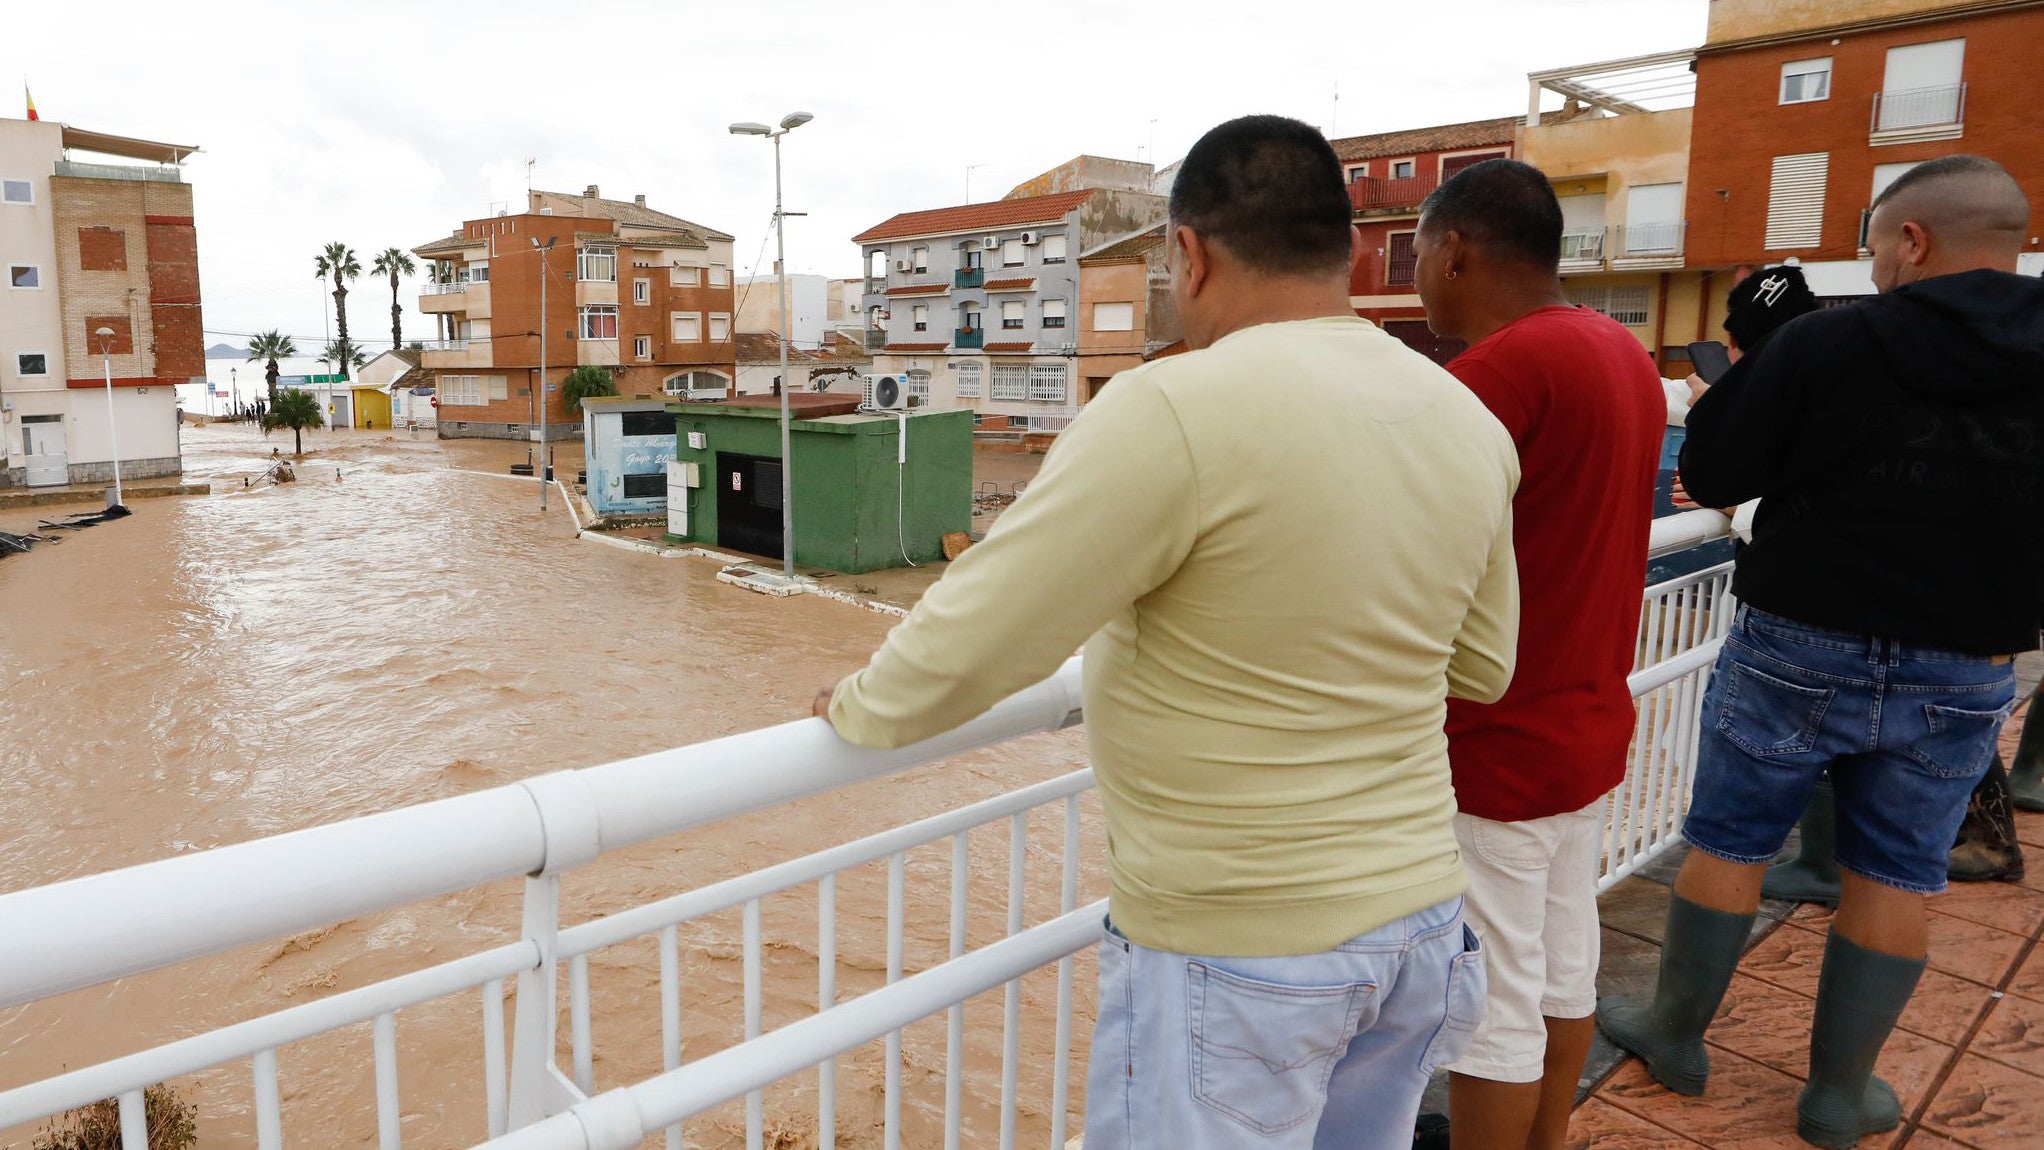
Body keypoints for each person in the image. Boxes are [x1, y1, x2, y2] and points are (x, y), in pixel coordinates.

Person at [812, 114, 1521, 1150]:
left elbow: (978, 635)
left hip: (1243, 950)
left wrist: (856, 708)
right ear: (1357, 252)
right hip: (1417, 927)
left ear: (1186, 254)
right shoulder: (1463, 417)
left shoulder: (1173, 409)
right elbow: (1485, 666)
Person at [1597, 155, 2044, 1150]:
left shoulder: (1830, 341)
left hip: (1798, 638)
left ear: (1912, 239)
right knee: (1895, 874)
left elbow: (1710, 465)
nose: (1874, 265)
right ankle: (1838, 1096)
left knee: (1729, 842)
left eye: (1877, 246)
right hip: (1965, 661)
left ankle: (1674, 1033)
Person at [1408, 159, 1663, 1150]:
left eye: (1421, 250)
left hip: (1498, 739)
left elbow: (1407, 551)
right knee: (1562, 965)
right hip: (1587, 720)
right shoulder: (1619, 352)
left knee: (1490, 1002)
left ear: (1455, 248)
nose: (1421, 272)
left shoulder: (1494, 374)